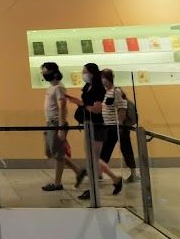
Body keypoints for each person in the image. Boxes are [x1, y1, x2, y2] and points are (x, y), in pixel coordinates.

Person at [69, 69, 125, 199]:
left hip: (108, 128)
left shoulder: (114, 91)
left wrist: (119, 124)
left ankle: (96, 186)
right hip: (100, 126)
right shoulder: (99, 91)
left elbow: (120, 107)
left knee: (96, 159)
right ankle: (114, 180)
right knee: (96, 159)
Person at [39, 62, 85, 192]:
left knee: (58, 154)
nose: (43, 74)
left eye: (45, 71)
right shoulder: (51, 88)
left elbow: (62, 106)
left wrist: (61, 126)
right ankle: (78, 171)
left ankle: (57, 183)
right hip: (50, 123)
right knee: (51, 152)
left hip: (56, 123)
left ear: (53, 72)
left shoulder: (59, 87)